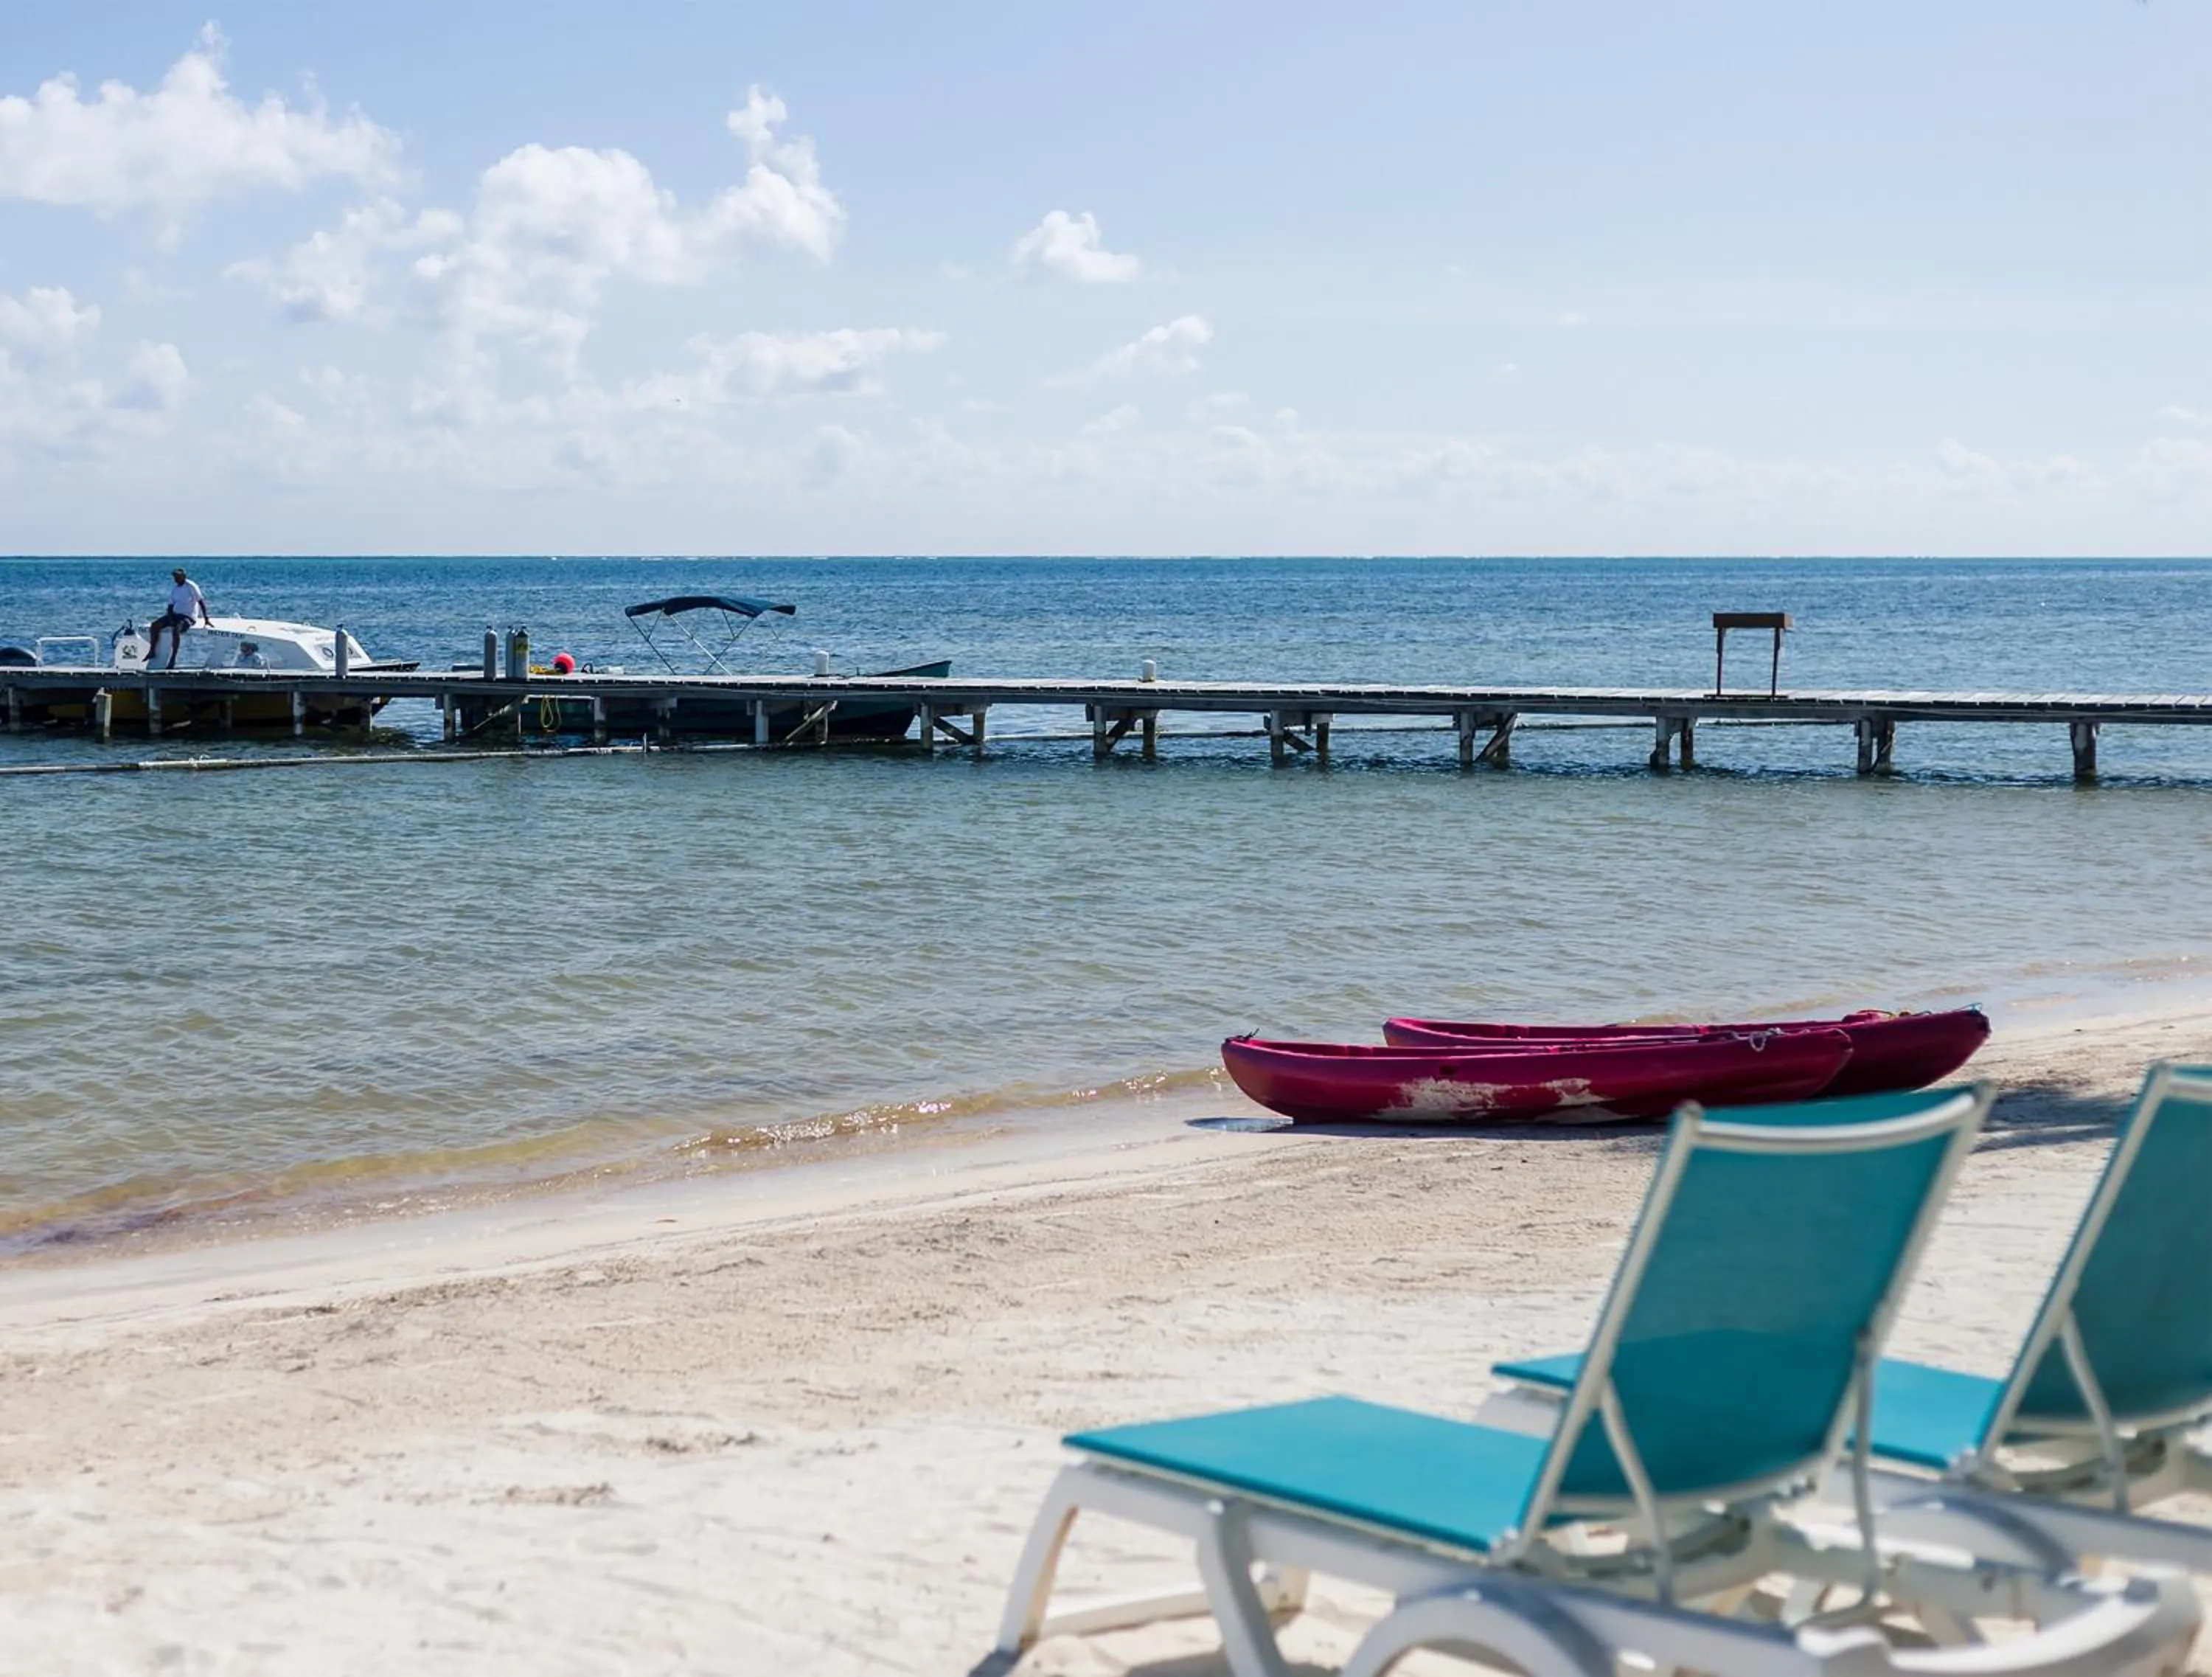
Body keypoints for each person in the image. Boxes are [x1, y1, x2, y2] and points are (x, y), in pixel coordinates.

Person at [147, 568, 212, 670]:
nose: (176, 579)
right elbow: (170, 606)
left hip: (188, 617)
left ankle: (173, 658)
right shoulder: (175, 590)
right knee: (155, 625)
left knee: (176, 629)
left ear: (184, 577)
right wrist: (170, 617)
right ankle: (152, 651)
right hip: (175, 614)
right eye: (175, 577)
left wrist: (206, 619)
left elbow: (201, 601)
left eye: (178, 577)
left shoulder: (191, 586)